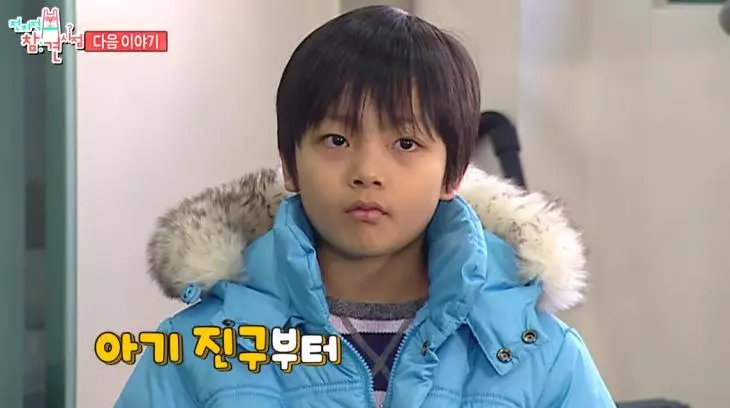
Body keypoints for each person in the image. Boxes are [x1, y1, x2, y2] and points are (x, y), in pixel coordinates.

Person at [116, 5, 614, 407]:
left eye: (405, 143)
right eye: (336, 139)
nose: (367, 171)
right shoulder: (196, 352)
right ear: (290, 165)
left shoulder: (539, 355)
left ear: (453, 174)